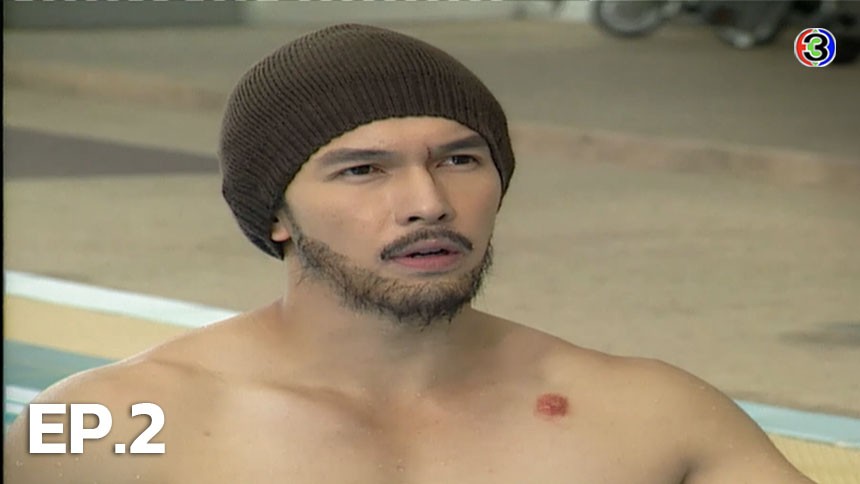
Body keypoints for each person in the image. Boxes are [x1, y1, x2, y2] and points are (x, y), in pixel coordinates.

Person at [4, 23, 813, 483]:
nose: (428, 202)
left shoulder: (647, 415)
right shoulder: (109, 423)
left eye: (460, 159)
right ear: (275, 213)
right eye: (363, 170)